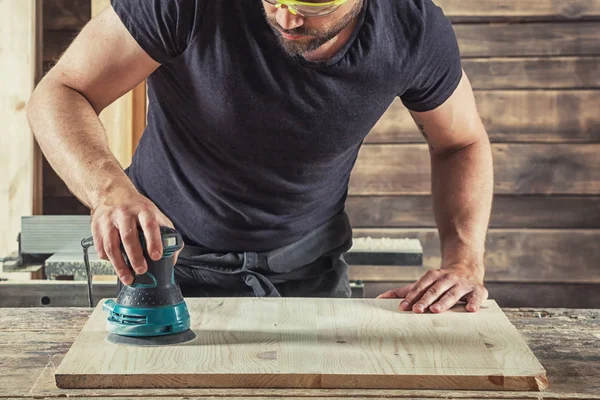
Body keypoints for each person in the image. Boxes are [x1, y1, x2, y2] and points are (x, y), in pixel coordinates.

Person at [27, 0, 493, 313]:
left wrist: (464, 259)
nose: (288, 21)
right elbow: (62, 91)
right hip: (167, 265)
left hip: (309, 272)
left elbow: (460, 143)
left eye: (311, 9)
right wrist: (109, 192)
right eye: (274, 1)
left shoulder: (411, 30)